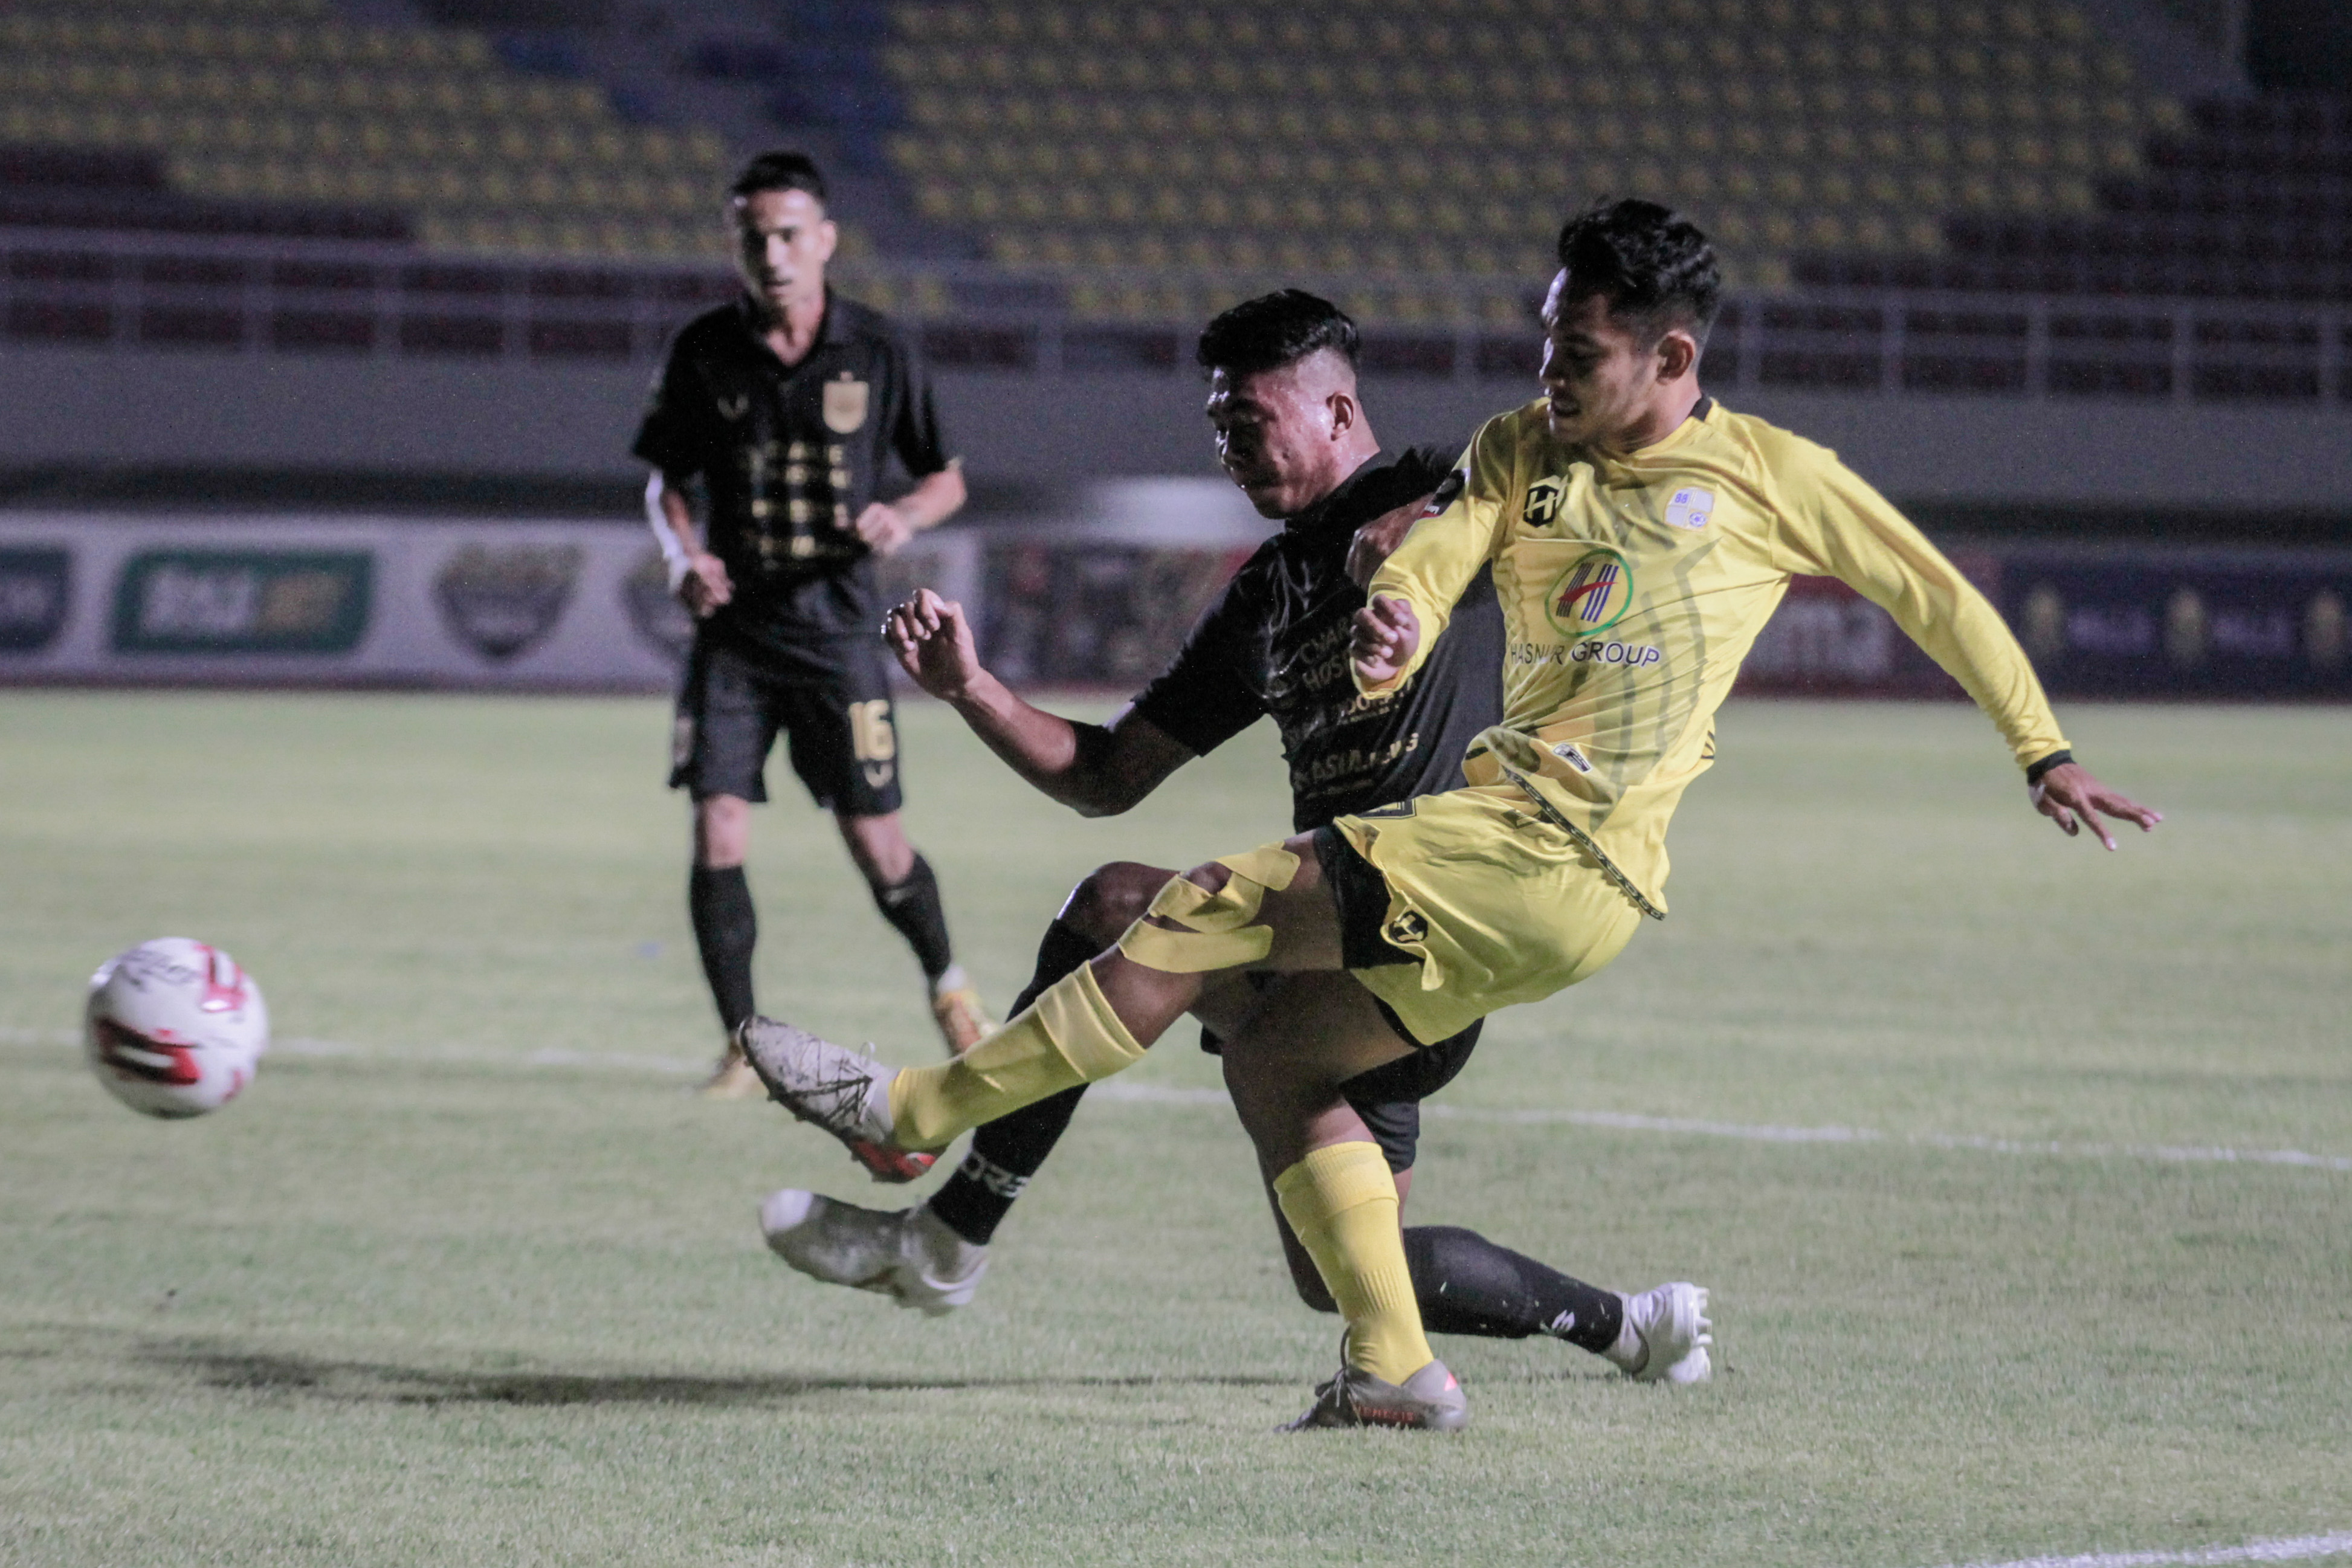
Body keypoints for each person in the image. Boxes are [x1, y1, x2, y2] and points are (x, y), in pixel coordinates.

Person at [737, 199, 2160, 1431]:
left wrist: (2041, 750)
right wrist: (1383, 619)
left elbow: (1927, 590)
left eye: (1251, 414)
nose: (1548, 372)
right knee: (1279, 1106)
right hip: (1411, 889)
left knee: (1163, 906)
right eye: (1212, 419)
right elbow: (1391, 588)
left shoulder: (1694, 475)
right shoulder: (1455, 486)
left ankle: (919, 1129)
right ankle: (1489, 1349)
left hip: (1488, 863)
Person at [757, 290, 1710, 1389]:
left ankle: (942, 1211)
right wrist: (969, 687)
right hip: (1334, 937)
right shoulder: (1264, 595)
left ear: (1337, 409)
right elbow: (1108, 776)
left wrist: (1456, 523)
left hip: (1435, 925)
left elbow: (1588, 455)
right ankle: (1633, 1327)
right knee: (1339, 1273)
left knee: (1130, 906)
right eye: (1217, 426)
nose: (1228, 447)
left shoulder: (1454, 498)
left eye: (1248, 421)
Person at [633, 149, 990, 1094]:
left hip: (837, 635)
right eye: (755, 238)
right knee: (717, 829)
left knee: (878, 842)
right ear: (735, 245)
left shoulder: (879, 350)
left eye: (790, 234)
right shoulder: (704, 351)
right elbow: (667, 480)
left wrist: (903, 515)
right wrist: (682, 559)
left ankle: (949, 988)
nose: (773, 253)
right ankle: (744, 1043)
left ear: (826, 239)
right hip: (736, 639)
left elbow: (945, 475)